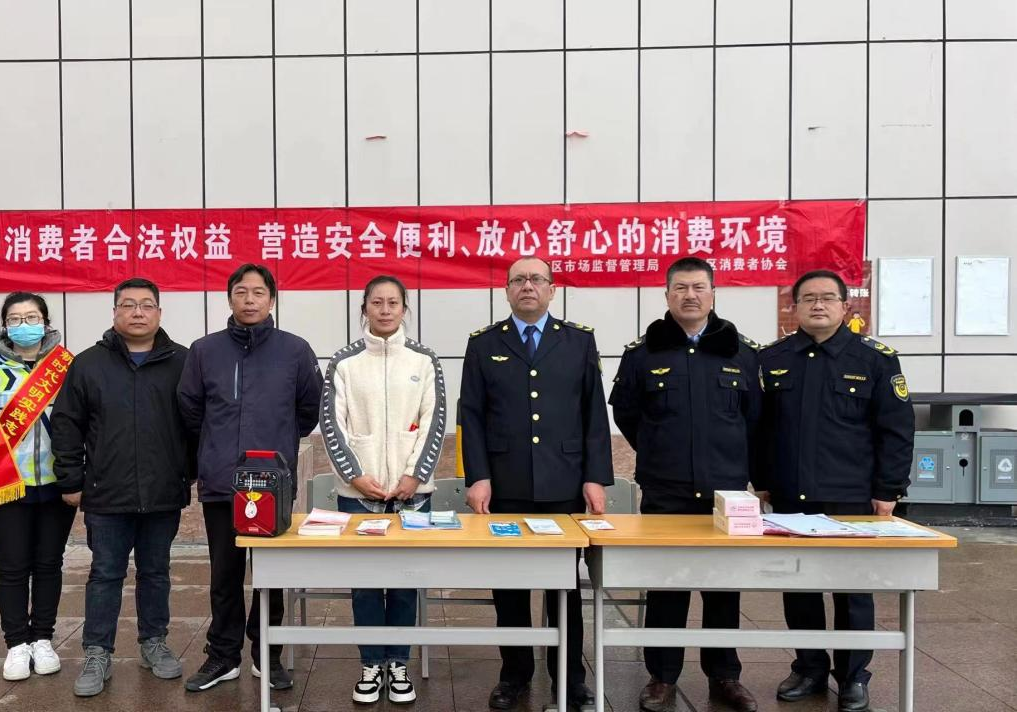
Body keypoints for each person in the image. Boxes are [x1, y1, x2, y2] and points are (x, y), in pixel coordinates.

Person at [755, 269, 914, 712]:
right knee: (799, 585)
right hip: (790, 494)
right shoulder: (772, 359)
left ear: (846, 306)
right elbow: (759, 428)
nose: (818, 305)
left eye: (828, 297)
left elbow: (896, 430)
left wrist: (888, 489)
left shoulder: (875, 360)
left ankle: (853, 675)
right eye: (808, 298)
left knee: (853, 589)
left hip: (852, 496)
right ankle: (809, 667)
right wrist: (762, 480)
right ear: (795, 307)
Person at [459, 256, 613, 710]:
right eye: (519, 280)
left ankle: (570, 678)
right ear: (507, 290)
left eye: (536, 279)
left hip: (564, 483)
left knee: (565, 586)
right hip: (504, 485)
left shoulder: (578, 340)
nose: (528, 286)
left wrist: (595, 477)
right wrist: (478, 476)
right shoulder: (485, 344)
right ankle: (514, 675)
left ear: (552, 289)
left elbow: (593, 414)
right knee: (510, 587)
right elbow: (471, 415)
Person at [609, 257, 761, 712]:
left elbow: (755, 419)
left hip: (725, 492)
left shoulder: (742, 352)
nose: (689, 295)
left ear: (713, 293)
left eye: (698, 287)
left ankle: (725, 676)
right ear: (667, 295)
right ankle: (662, 676)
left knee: (723, 589)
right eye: (680, 288)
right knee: (667, 586)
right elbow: (627, 413)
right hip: (666, 489)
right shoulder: (643, 354)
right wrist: (660, 451)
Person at [178, 263, 322, 694]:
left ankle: (267, 654)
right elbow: (190, 408)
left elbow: (308, 410)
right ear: (230, 298)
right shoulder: (204, 351)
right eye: (241, 292)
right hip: (222, 482)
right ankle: (223, 655)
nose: (250, 300)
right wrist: (218, 445)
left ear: (272, 299)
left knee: (270, 573)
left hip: (271, 484)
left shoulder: (295, 350)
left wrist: (276, 443)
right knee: (224, 573)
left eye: (259, 293)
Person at [50, 277, 198, 697]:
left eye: (146, 305)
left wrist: (186, 472)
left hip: (162, 492)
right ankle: (97, 652)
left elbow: (196, 424)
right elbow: (66, 424)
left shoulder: (183, 362)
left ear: (159, 313)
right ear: (114, 312)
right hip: (106, 493)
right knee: (105, 574)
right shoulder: (88, 363)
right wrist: (71, 479)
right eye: (128, 305)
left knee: (156, 572)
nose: (137, 312)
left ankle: (154, 642)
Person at [320, 275, 446, 705]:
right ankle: (371, 663)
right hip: (358, 494)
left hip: (414, 494)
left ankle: (399, 663)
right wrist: (355, 476)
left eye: (394, 303)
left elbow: (434, 421)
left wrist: (414, 476)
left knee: (406, 581)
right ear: (365, 309)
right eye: (377, 302)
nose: (386, 309)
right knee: (366, 583)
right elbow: (332, 424)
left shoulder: (424, 360)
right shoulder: (344, 362)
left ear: (405, 309)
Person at [0, 292, 76, 682]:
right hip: (4, 484)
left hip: (56, 482)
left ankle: (42, 638)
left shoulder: (67, 366)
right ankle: (16, 644)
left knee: (49, 563)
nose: (24, 325)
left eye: (31, 317)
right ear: (4, 325)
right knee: (12, 565)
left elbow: (83, 419)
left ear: (46, 322)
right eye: (15, 318)